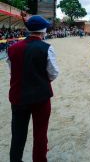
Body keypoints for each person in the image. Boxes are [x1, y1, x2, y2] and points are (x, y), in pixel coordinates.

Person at [7, 15, 59, 162]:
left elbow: (13, 70)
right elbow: (53, 73)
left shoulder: (12, 48)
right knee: (40, 133)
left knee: (17, 134)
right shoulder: (47, 48)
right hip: (40, 97)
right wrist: (41, 80)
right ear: (43, 30)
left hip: (18, 96)